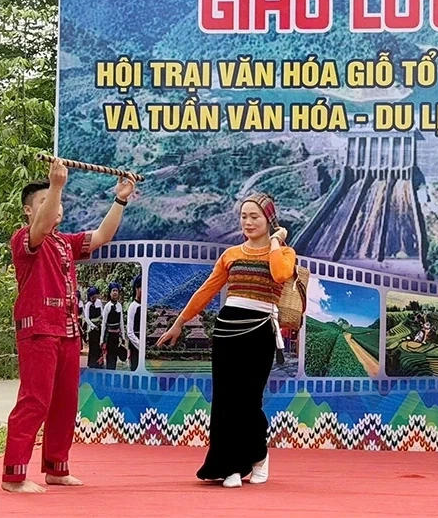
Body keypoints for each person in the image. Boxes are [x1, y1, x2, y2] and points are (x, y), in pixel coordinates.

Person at [2, 159, 135, 493]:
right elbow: (41, 228)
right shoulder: (25, 240)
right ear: (28, 211)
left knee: (65, 402)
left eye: (58, 203)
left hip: (68, 330)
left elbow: (103, 235)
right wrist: (56, 186)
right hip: (39, 329)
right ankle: (13, 475)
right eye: (46, 203)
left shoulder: (65, 242)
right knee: (35, 399)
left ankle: (56, 468)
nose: (55, 208)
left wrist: (120, 199)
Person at [157, 193, 295, 488]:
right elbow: (206, 291)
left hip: (260, 331)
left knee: (249, 399)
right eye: (243, 216)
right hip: (227, 330)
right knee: (225, 400)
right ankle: (228, 466)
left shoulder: (284, 254)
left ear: (269, 220)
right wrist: (180, 323)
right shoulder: (231, 255)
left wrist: (275, 241)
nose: (247, 222)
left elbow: (281, 274)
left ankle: (258, 455)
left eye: (254, 216)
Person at [101, 282, 127, 370]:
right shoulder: (107, 307)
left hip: (117, 337)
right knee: (110, 357)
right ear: (110, 293)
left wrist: (123, 336)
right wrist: (102, 340)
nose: (115, 293)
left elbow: (121, 323)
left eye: (116, 291)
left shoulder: (119, 306)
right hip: (109, 337)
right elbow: (104, 324)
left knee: (115, 357)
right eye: (113, 291)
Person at [83, 286, 103, 367]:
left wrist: (101, 323)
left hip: (99, 325)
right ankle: (92, 363)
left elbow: (102, 313)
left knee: (99, 345)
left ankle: (99, 362)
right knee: (93, 346)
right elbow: (87, 318)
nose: (94, 298)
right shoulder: (88, 305)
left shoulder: (99, 302)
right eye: (92, 297)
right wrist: (93, 326)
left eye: (95, 296)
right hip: (92, 328)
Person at [126, 275, 142, 370]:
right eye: (141, 288)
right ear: (137, 289)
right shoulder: (133, 306)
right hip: (135, 345)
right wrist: (140, 346)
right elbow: (130, 332)